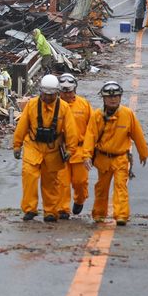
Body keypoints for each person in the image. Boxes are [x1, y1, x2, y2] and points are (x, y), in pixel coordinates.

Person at [13, 74, 79, 222]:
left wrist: (70, 150)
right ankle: (30, 209)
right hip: (33, 146)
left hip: (53, 149)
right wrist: (17, 145)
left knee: (51, 183)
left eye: (51, 95)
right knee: (29, 177)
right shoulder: (31, 105)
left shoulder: (63, 108)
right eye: (45, 94)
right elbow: (22, 126)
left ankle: (51, 211)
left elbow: (71, 131)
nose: (48, 97)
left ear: (57, 93)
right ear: (40, 91)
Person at [83, 81, 148, 226]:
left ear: (120, 97)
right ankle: (99, 214)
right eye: (109, 97)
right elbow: (90, 136)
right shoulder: (97, 116)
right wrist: (86, 155)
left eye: (116, 97)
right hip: (103, 158)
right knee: (101, 187)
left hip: (120, 158)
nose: (113, 99)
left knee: (121, 187)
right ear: (104, 99)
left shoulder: (127, 114)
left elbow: (137, 135)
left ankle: (121, 215)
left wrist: (143, 153)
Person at [55, 74, 93, 219]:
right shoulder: (54, 106)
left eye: (69, 91)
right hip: (61, 150)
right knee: (62, 182)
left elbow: (93, 128)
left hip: (79, 150)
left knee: (80, 181)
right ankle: (63, 209)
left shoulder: (84, 105)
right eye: (64, 92)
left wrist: (91, 150)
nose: (67, 95)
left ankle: (80, 199)